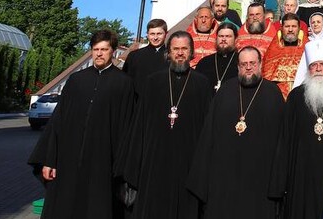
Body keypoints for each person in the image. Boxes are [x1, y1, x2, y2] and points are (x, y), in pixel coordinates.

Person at [28, 30, 135, 219]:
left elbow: (127, 129)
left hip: (103, 164)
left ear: (113, 51)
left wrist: (121, 168)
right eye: (95, 49)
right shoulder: (77, 81)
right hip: (68, 162)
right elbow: (57, 123)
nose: (99, 54)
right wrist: (49, 159)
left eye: (104, 49)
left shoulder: (124, 84)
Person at [121, 31, 212, 219]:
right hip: (154, 161)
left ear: (191, 52)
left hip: (188, 162)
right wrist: (134, 165)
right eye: (175, 49)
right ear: (168, 53)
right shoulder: (153, 82)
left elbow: (207, 129)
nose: (180, 53)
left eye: (184, 49)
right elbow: (139, 125)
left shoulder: (202, 84)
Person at [187, 46, 285, 219]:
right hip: (224, 178)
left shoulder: (273, 93)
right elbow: (208, 134)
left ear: (260, 64)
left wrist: (277, 183)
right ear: (238, 67)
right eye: (244, 64)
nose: (248, 67)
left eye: (252, 63)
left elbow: (281, 142)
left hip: (260, 180)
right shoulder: (225, 90)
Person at [269, 40, 323, 219]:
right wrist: (279, 183)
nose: (319, 69)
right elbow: (285, 139)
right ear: (308, 68)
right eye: (314, 65)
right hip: (301, 174)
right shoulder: (296, 97)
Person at [262, 12, 309, 99]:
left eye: (294, 26)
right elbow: (266, 76)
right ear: (282, 28)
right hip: (278, 97)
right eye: (287, 26)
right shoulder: (274, 49)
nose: (290, 30)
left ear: (299, 28)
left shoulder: (307, 48)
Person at [123, 18, 169, 100]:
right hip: (138, 104)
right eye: (152, 34)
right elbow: (125, 83)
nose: (155, 37)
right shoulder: (134, 56)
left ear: (166, 34)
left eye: (159, 34)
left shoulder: (172, 57)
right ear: (147, 34)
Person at [195, 22, 239, 93]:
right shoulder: (204, 62)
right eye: (221, 36)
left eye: (228, 36)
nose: (223, 39)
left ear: (236, 39)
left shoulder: (241, 62)